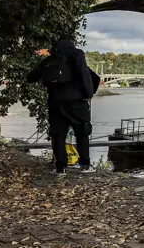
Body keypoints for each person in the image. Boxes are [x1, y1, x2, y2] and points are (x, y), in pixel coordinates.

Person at [27, 35, 97, 176]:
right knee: (82, 132)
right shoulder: (77, 54)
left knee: (58, 135)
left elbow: (31, 78)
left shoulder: (49, 59)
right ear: (73, 42)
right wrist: (88, 94)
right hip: (76, 102)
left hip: (55, 102)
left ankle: (60, 168)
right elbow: (85, 75)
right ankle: (84, 165)